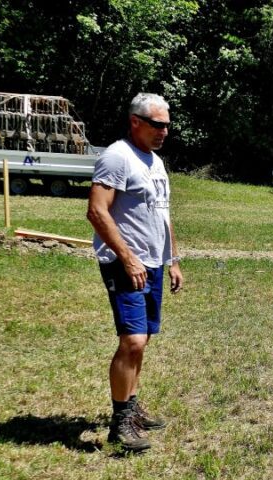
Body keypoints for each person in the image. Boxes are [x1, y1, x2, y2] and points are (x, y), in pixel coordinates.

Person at [86, 93, 183, 452]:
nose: (165, 131)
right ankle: (120, 424)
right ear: (136, 122)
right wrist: (127, 257)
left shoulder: (155, 162)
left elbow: (162, 213)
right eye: (158, 125)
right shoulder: (117, 157)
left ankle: (132, 404)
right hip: (127, 263)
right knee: (133, 340)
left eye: (167, 125)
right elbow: (97, 212)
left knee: (144, 338)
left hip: (154, 264)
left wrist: (172, 259)